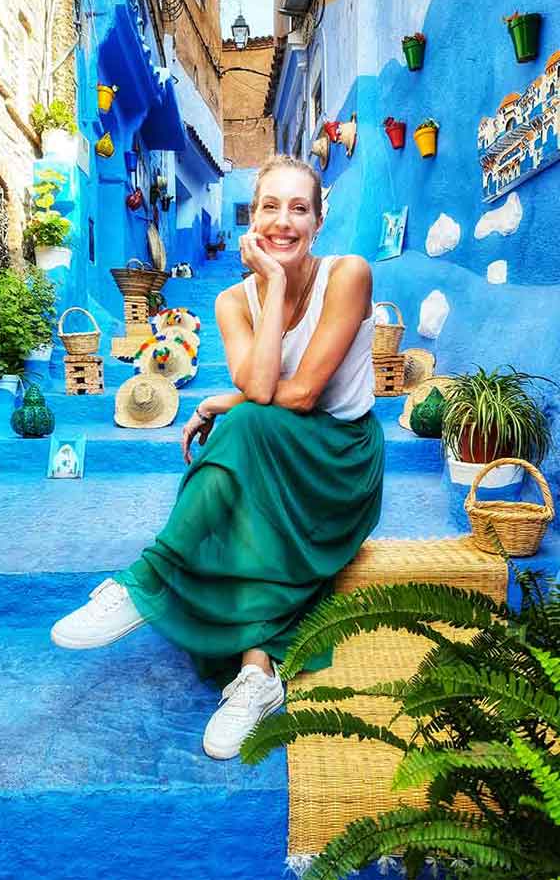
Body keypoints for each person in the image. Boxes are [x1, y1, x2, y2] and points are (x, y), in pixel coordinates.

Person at [51, 155, 384, 760]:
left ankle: (146, 579)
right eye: (270, 206)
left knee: (248, 424)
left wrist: (275, 294)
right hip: (275, 444)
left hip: (340, 458)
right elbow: (262, 389)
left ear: (318, 219)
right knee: (247, 455)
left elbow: (299, 394)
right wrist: (242, 378)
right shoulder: (232, 302)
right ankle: (258, 676)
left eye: (299, 208)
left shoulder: (349, 274)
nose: (284, 221)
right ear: (251, 218)